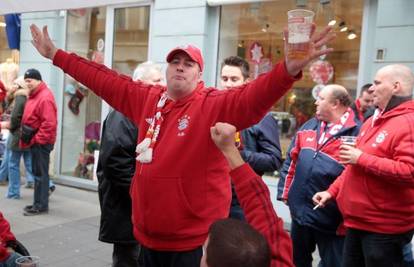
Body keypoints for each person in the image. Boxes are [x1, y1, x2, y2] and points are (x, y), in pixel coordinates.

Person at [30, 23, 334, 266]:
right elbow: (103, 79)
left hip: (193, 245)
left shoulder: (213, 103)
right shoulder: (148, 98)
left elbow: (254, 96)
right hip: (146, 238)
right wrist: (56, 54)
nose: (180, 66)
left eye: (188, 63)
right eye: (174, 61)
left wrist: (287, 70)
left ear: (199, 74)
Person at [313, 64, 414, 267]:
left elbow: (409, 171)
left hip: (384, 230)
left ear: (396, 86)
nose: (371, 89)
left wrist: (362, 158)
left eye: (377, 83)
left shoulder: (408, 123)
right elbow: (354, 166)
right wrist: (332, 192)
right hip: (356, 223)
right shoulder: (372, 121)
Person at [278, 84, 360, 267]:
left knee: (333, 263)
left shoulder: (357, 132)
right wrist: (286, 193)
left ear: (335, 104)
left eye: (321, 98)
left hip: (332, 217)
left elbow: (354, 175)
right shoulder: (309, 125)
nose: (316, 102)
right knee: (297, 261)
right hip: (300, 211)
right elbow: (292, 160)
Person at [97, 61, 163, 267]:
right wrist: (144, 192)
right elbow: (116, 163)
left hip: (137, 209)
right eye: (156, 81)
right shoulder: (124, 112)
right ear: (138, 83)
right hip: (127, 209)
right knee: (129, 259)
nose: (163, 85)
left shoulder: (149, 109)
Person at [203, 122, 293, 267]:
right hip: (224, 201)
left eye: (205, 254)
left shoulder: (263, 121)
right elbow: (267, 222)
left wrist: (239, 154)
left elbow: (274, 160)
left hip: (241, 206)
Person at [220, 55, 282, 220]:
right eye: (224, 79)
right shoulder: (217, 111)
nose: (228, 84)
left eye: (234, 79)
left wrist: (238, 154)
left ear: (246, 82)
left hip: (242, 200)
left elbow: (273, 160)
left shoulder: (262, 117)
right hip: (215, 195)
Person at [20, 69, 57, 216]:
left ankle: (41, 206)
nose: (27, 83)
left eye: (30, 80)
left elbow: (49, 123)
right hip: (36, 141)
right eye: (26, 81)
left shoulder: (45, 97)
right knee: (37, 174)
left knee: (41, 175)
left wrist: (37, 140)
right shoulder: (35, 95)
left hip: (41, 142)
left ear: (38, 80)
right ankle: (37, 203)